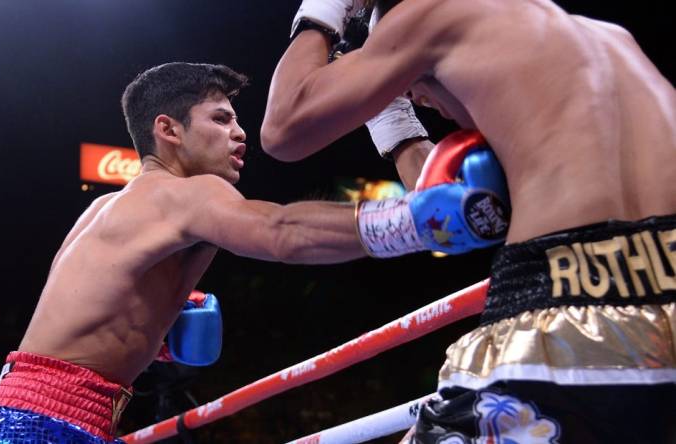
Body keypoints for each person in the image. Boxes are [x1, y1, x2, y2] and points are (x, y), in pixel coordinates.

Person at [0, 62, 507, 443]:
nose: (240, 134)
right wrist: (413, 222)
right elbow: (281, 232)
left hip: (17, 414)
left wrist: (159, 342)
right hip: (48, 427)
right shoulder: (186, 195)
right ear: (167, 130)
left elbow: (80, 321)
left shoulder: (106, 208)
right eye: (221, 119)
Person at [261, 1, 676, 442]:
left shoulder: (429, 12)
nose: (417, 100)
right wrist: (393, 122)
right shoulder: (609, 39)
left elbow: (283, 127)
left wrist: (323, 10)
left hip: (559, 306)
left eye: (407, 84)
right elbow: (441, 200)